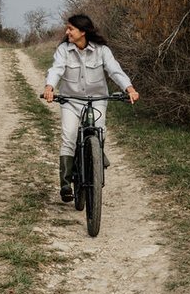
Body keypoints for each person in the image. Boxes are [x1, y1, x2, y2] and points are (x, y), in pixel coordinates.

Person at [43, 14, 139, 202]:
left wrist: (129, 88)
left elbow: (114, 70)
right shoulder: (64, 49)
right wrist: (49, 87)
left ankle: (95, 158)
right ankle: (65, 184)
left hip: (97, 99)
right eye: (67, 28)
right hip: (70, 99)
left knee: (99, 131)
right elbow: (56, 69)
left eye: (71, 28)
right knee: (69, 135)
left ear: (83, 31)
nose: (67, 32)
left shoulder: (102, 50)